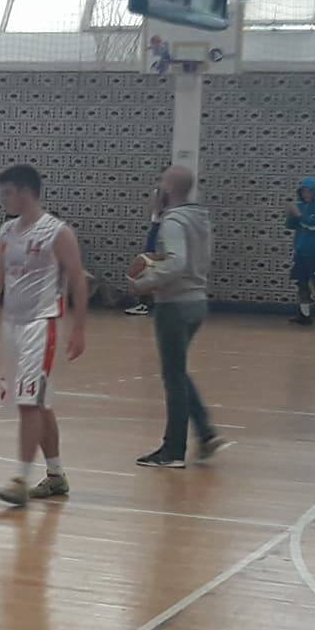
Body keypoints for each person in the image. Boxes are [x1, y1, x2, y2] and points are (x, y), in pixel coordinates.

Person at [0, 165, 87, 508]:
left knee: (28, 401)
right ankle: (56, 475)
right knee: (39, 404)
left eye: (7, 192)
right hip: (11, 325)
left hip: (42, 323)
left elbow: (78, 278)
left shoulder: (57, 232)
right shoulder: (7, 231)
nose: (3, 199)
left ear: (24, 191)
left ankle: (20, 479)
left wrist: (79, 327)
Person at [131, 165, 231, 469]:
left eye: (161, 183)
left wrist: (144, 283)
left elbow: (176, 263)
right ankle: (206, 433)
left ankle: (173, 450)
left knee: (173, 378)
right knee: (178, 372)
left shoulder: (174, 222)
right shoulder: (199, 218)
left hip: (175, 305)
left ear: (168, 188)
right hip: (197, 302)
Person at [287, 176, 315, 327]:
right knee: (301, 283)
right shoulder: (300, 205)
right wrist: (291, 214)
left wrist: (299, 216)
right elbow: (291, 225)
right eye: (303, 191)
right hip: (300, 251)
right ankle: (304, 314)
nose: (306, 194)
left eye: (309, 191)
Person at [126, 189, 169, 317]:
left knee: (159, 267)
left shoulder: (176, 196)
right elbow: (152, 212)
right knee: (147, 267)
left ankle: (155, 303)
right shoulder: (157, 192)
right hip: (157, 228)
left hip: (165, 230)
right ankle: (145, 303)